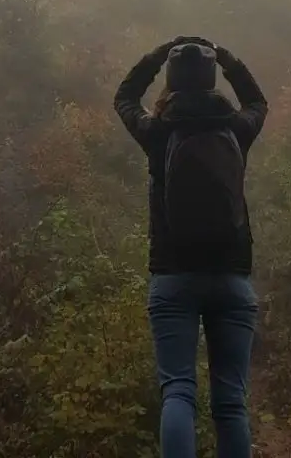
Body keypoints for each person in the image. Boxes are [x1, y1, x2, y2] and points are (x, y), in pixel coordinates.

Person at [113, 36, 268, 458]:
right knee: (231, 401)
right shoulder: (236, 129)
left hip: (174, 277)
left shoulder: (158, 132)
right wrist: (230, 57)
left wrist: (156, 53)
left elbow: (125, 97)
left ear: (172, 83)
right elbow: (258, 101)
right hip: (232, 282)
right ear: (213, 79)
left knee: (178, 391)